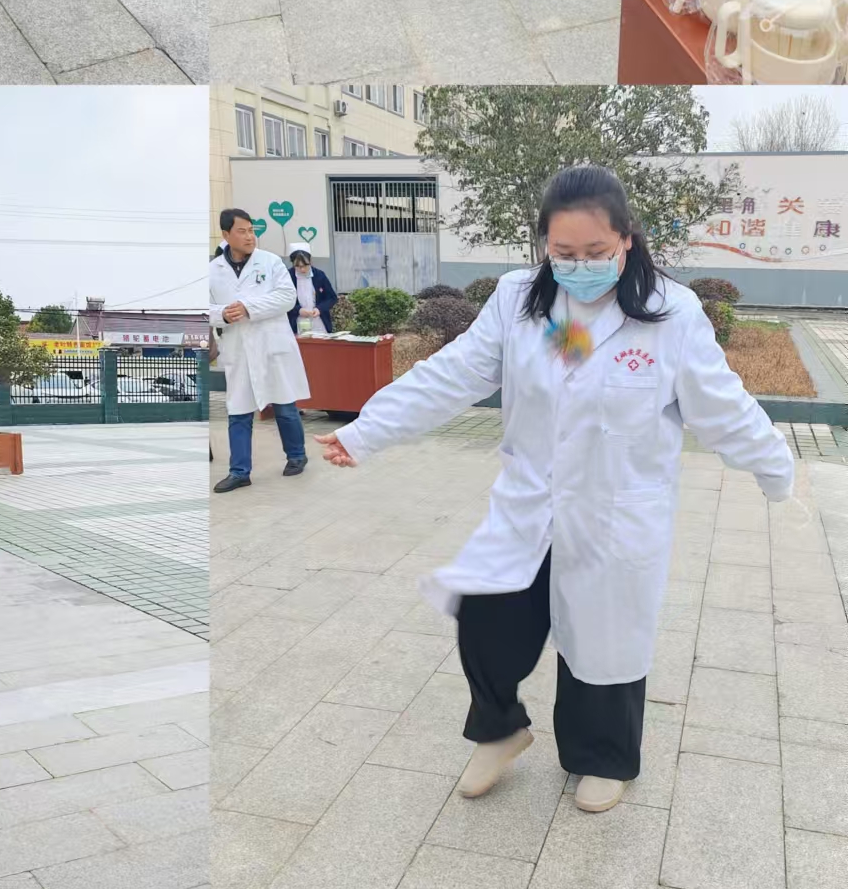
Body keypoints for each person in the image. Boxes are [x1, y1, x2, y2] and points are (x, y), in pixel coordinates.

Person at [317, 165, 792, 814]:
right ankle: (499, 730)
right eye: (564, 253)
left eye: (595, 252)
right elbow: (451, 374)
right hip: (530, 503)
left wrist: (774, 466)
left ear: (625, 239)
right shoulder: (521, 302)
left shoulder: (669, 314)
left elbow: (721, 407)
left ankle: (603, 757)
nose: (579, 266)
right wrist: (367, 430)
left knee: (603, 640)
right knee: (485, 615)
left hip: (613, 510)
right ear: (543, 243)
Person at [210, 208, 310, 493]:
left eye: (251, 230)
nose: (249, 236)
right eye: (241, 231)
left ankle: (297, 455)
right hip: (238, 349)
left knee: (285, 406)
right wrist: (222, 314)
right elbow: (203, 309)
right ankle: (239, 472)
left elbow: (287, 297)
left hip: (271, 345)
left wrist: (248, 308)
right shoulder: (213, 270)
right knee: (238, 410)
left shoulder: (270, 262)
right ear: (226, 234)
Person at [287, 246, 337, 336]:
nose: (302, 269)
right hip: (296, 323)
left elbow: (332, 298)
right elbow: (283, 300)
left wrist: (319, 309)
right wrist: (298, 310)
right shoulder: (288, 276)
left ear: (310, 261)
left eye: (305, 265)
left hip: (318, 321)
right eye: (298, 266)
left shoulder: (319, 275)